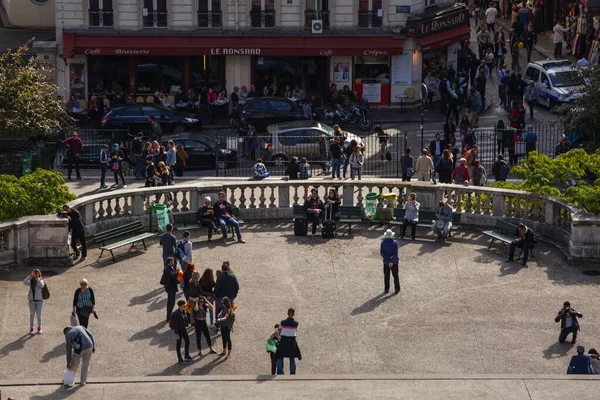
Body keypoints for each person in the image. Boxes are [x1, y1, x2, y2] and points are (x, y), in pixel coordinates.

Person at [277, 307, 301, 375]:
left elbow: (279, 330)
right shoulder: (296, 323)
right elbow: (295, 330)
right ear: (294, 314)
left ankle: (279, 371)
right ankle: (292, 372)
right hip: (292, 341)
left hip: (284, 340)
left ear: (287, 313)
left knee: (280, 356)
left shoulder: (283, 322)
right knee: (292, 357)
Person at [24, 269, 45, 334]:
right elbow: (24, 282)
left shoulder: (41, 280)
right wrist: (30, 276)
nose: (35, 274)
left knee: (39, 315)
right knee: (32, 315)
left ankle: (39, 328)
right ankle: (32, 328)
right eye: (34, 273)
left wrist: (37, 279)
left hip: (39, 301)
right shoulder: (31, 281)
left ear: (39, 274)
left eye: (37, 273)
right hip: (31, 301)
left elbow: (41, 285)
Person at [171, 299, 192, 364]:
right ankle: (180, 358)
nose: (185, 306)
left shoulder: (183, 311)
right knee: (179, 345)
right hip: (179, 331)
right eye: (183, 306)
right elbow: (175, 324)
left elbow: (185, 319)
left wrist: (187, 323)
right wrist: (176, 333)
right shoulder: (176, 313)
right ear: (180, 306)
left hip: (183, 329)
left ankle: (186, 355)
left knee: (187, 341)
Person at [380, 229, 400, 294]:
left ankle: (386, 289)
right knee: (395, 275)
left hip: (386, 262)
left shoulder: (383, 243)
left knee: (386, 276)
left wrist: (388, 260)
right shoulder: (395, 243)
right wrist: (392, 261)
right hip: (394, 262)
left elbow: (382, 253)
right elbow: (395, 254)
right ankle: (397, 288)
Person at [161, 257, 179, 322]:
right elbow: (172, 275)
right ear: (168, 263)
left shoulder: (170, 268)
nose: (173, 263)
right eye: (171, 262)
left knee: (172, 302)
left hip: (172, 287)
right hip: (170, 288)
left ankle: (169, 316)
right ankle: (168, 317)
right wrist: (177, 272)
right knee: (170, 303)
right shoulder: (166, 269)